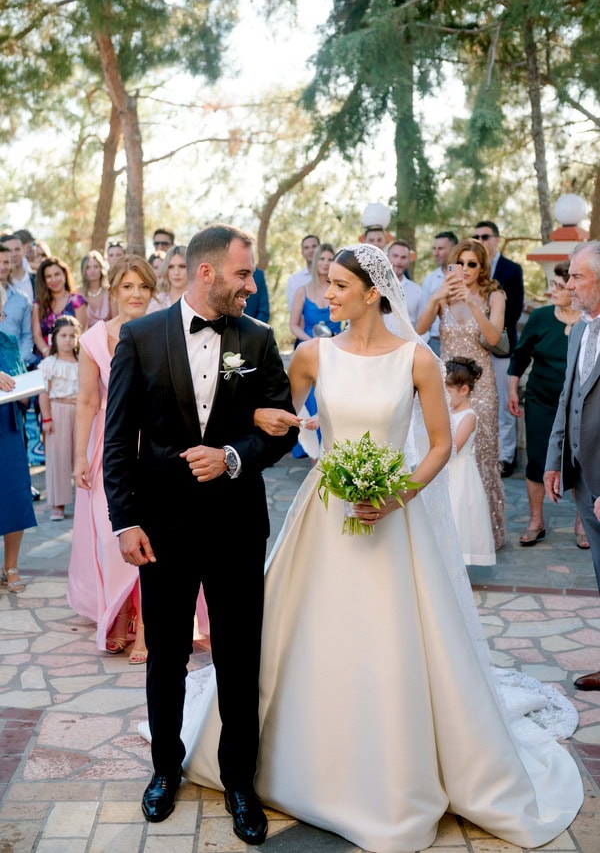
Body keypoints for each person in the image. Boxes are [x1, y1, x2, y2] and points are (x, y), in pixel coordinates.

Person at [179, 244, 582, 853]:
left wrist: (396, 496)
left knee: (393, 642)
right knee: (304, 633)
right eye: (326, 284)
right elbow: (271, 417)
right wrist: (288, 425)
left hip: (393, 516)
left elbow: (441, 446)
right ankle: (286, 761)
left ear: (373, 293)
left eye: (339, 285)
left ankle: (392, 776)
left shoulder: (417, 360)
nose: (328, 294)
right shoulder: (313, 355)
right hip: (325, 514)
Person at [102, 224, 298, 837]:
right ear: (207, 272)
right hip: (162, 528)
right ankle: (165, 768)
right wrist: (125, 519)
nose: (251, 284)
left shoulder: (259, 340)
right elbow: (118, 439)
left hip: (238, 527)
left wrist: (234, 455)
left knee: (240, 657)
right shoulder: (138, 337)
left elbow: (284, 428)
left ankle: (241, 784)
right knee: (165, 656)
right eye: (243, 274)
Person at [69, 256, 156, 665]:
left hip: (155, 442)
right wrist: (79, 458)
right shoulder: (92, 338)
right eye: (127, 286)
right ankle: (119, 615)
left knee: (153, 531)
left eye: (143, 287)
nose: (135, 294)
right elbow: (86, 401)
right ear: (114, 291)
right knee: (111, 534)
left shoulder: (164, 331)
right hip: (111, 444)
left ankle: (148, 629)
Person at [416, 238, 506, 549]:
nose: (466, 269)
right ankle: (448, 530)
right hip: (447, 387)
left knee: (481, 456)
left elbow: (494, 337)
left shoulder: (495, 296)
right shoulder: (442, 296)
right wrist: (434, 299)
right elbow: (418, 331)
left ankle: (487, 535)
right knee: (445, 454)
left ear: (482, 268)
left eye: (473, 264)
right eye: (462, 263)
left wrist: (470, 302)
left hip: (481, 388)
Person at [545, 240, 600, 692]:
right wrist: (554, 460)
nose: (570, 284)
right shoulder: (580, 330)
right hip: (583, 475)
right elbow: (568, 396)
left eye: (578, 276)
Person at [509, 262, 587, 547]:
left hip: (580, 404)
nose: (551, 290)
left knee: (582, 462)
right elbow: (520, 355)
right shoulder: (540, 317)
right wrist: (512, 389)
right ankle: (536, 521)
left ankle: (582, 522)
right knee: (537, 459)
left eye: (558, 285)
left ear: (573, 288)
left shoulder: (591, 321)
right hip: (541, 399)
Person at [473, 221, 524, 477]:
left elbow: (515, 309)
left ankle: (506, 456)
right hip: (474, 350)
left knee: (504, 404)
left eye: (485, 235)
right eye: (476, 235)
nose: (480, 239)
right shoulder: (471, 269)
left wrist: (491, 329)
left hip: (502, 347)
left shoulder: (512, 269)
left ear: (496, 238)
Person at [0, 284, 36, 592]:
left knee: (14, 496)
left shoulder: (9, 342)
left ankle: (10, 566)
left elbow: (21, 379)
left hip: (8, 429)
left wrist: (26, 390)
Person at [290, 242, 340, 458]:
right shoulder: (303, 291)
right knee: (312, 407)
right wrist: (311, 341)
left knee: (330, 406)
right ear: (315, 261)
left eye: (330, 259)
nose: (325, 263)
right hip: (311, 355)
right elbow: (294, 325)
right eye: (322, 258)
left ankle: (331, 456)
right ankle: (315, 460)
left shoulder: (339, 290)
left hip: (337, 354)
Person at [445, 356, 496, 566]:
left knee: (457, 514)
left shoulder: (468, 416)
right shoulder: (449, 412)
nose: (444, 395)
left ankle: (456, 561)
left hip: (459, 474)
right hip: (446, 472)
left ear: (464, 390)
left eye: (448, 390)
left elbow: (453, 448)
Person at [38, 316, 81, 522]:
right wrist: (46, 418)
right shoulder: (49, 363)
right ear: (54, 338)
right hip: (57, 410)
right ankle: (58, 502)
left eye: (73, 336)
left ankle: (82, 499)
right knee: (58, 456)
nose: (68, 340)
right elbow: (43, 392)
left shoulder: (82, 362)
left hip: (79, 411)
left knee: (80, 455)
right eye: (63, 335)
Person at [32, 256, 88, 359]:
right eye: (48, 276)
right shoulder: (38, 304)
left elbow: (82, 331)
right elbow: (36, 334)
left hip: (71, 358)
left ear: (65, 275)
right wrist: (48, 353)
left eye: (57, 274)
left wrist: (65, 356)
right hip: (45, 358)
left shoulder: (77, 301)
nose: (53, 279)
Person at [421, 230, 458, 355]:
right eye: (434, 248)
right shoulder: (429, 280)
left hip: (463, 342)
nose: (436, 253)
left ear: (454, 249)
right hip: (435, 342)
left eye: (441, 248)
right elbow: (423, 313)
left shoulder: (468, 276)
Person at [384, 239, 424, 328]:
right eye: (395, 256)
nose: (399, 261)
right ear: (387, 257)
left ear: (408, 261)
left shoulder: (417, 291)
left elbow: (423, 324)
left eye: (403, 257)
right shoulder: (375, 286)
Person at [285, 234, 319, 310]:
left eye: (314, 246)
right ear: (302, 252)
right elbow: (294, 311)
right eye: (306, 248)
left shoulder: (331, 277)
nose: (311, 250)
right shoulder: (294, 280)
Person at [80, 250, 111, 327]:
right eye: (88, 267)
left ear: (101, 269)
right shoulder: (77, 294)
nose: (92, 271)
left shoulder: (110, 292)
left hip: (109, 336)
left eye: (96, 266)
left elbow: (117, 319)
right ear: (84, 270)